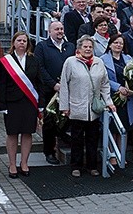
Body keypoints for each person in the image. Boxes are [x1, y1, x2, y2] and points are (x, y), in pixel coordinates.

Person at [60, 36, 115, 177]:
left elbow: (105, 84)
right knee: (77, 139)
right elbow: (64, 85)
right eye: (85, 46)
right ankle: (76, 166)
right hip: (76, 107)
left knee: (92, 139)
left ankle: (92, 166)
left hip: (94, 109)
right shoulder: (70, 62)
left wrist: (108, 102)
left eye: (90, 46)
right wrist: (64, 106)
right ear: (79, 48)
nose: (88, 49)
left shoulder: (99, 62)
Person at [0, 32, 44, 178]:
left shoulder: (34, 60)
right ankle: (12, 164)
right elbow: (1, 84)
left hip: (29, 102)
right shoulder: (6, 61)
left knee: (27, 132)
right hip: (12, 103)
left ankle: (24, 163)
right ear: (13, 43)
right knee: (12, 133)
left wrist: (40, 104)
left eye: (24, 40)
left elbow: (39, 82)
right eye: (19, 40)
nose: (22, 43)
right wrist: (2, 105)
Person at [34, 22, 75, 165]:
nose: (60, 31)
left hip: (68, 90)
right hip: (50, 90)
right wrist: (54, 84)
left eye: (61, 29)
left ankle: (62, 135)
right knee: (50, 122)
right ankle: (49, 152)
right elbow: (40, 67)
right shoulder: (42, 47)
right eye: (56, 29)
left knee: (66, 117)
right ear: (49, 31)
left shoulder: (70, 46)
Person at [100, 34, 133, 164]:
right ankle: (112, 155)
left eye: (121, 43)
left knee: (123, 128)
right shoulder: (102, 59)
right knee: (112, 128)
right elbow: (102, 79)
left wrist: (132, 88)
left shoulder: (129, 59)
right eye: (116, 43)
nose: (118, 45)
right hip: (111, 98)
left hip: (127, 99)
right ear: (110, 44)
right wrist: (117, 87)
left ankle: (121, 155)